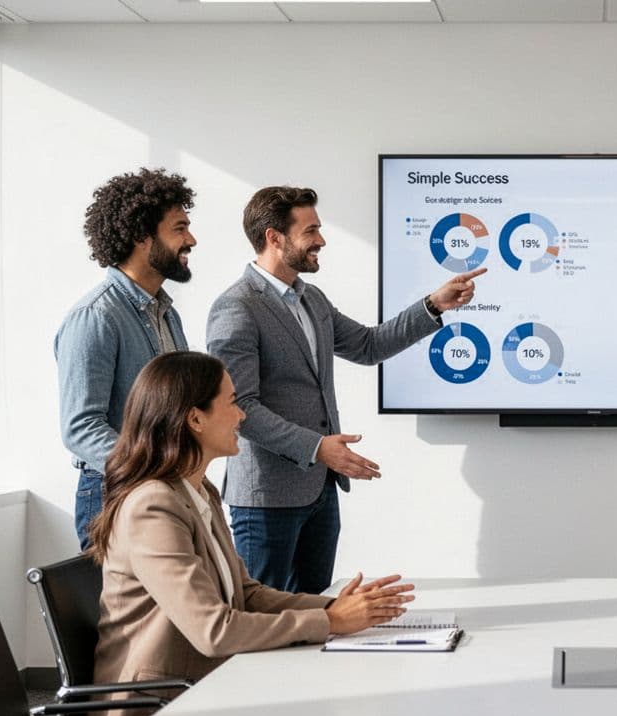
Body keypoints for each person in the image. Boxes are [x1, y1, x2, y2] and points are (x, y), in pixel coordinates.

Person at [82, 351, 414, 716]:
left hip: (202, 693)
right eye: (232, 402)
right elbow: (214, 631)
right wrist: (330, 621)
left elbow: (247, 594)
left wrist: (339, 607)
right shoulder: (153, 506)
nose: (242, 415)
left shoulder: (198, 491)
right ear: (195, 419)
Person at [207, 186, 484, 593]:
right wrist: (317, 447)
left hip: (320, 492)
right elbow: (239, 407)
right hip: (267, 500)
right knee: (262, 617)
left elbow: (369, 346)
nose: (321, 240)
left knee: (317, 613)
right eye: (310, 230)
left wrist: (433, 305)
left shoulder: (311, 299)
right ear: (274, 237)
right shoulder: (237, 307)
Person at [56, 168, 198, 550]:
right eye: (180, 228)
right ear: (141, 236)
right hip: (114, 493)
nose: (191, 239)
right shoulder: (95, 317)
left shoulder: (167, 314)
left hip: (164, 488)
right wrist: (154, 471)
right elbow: (81, 427)